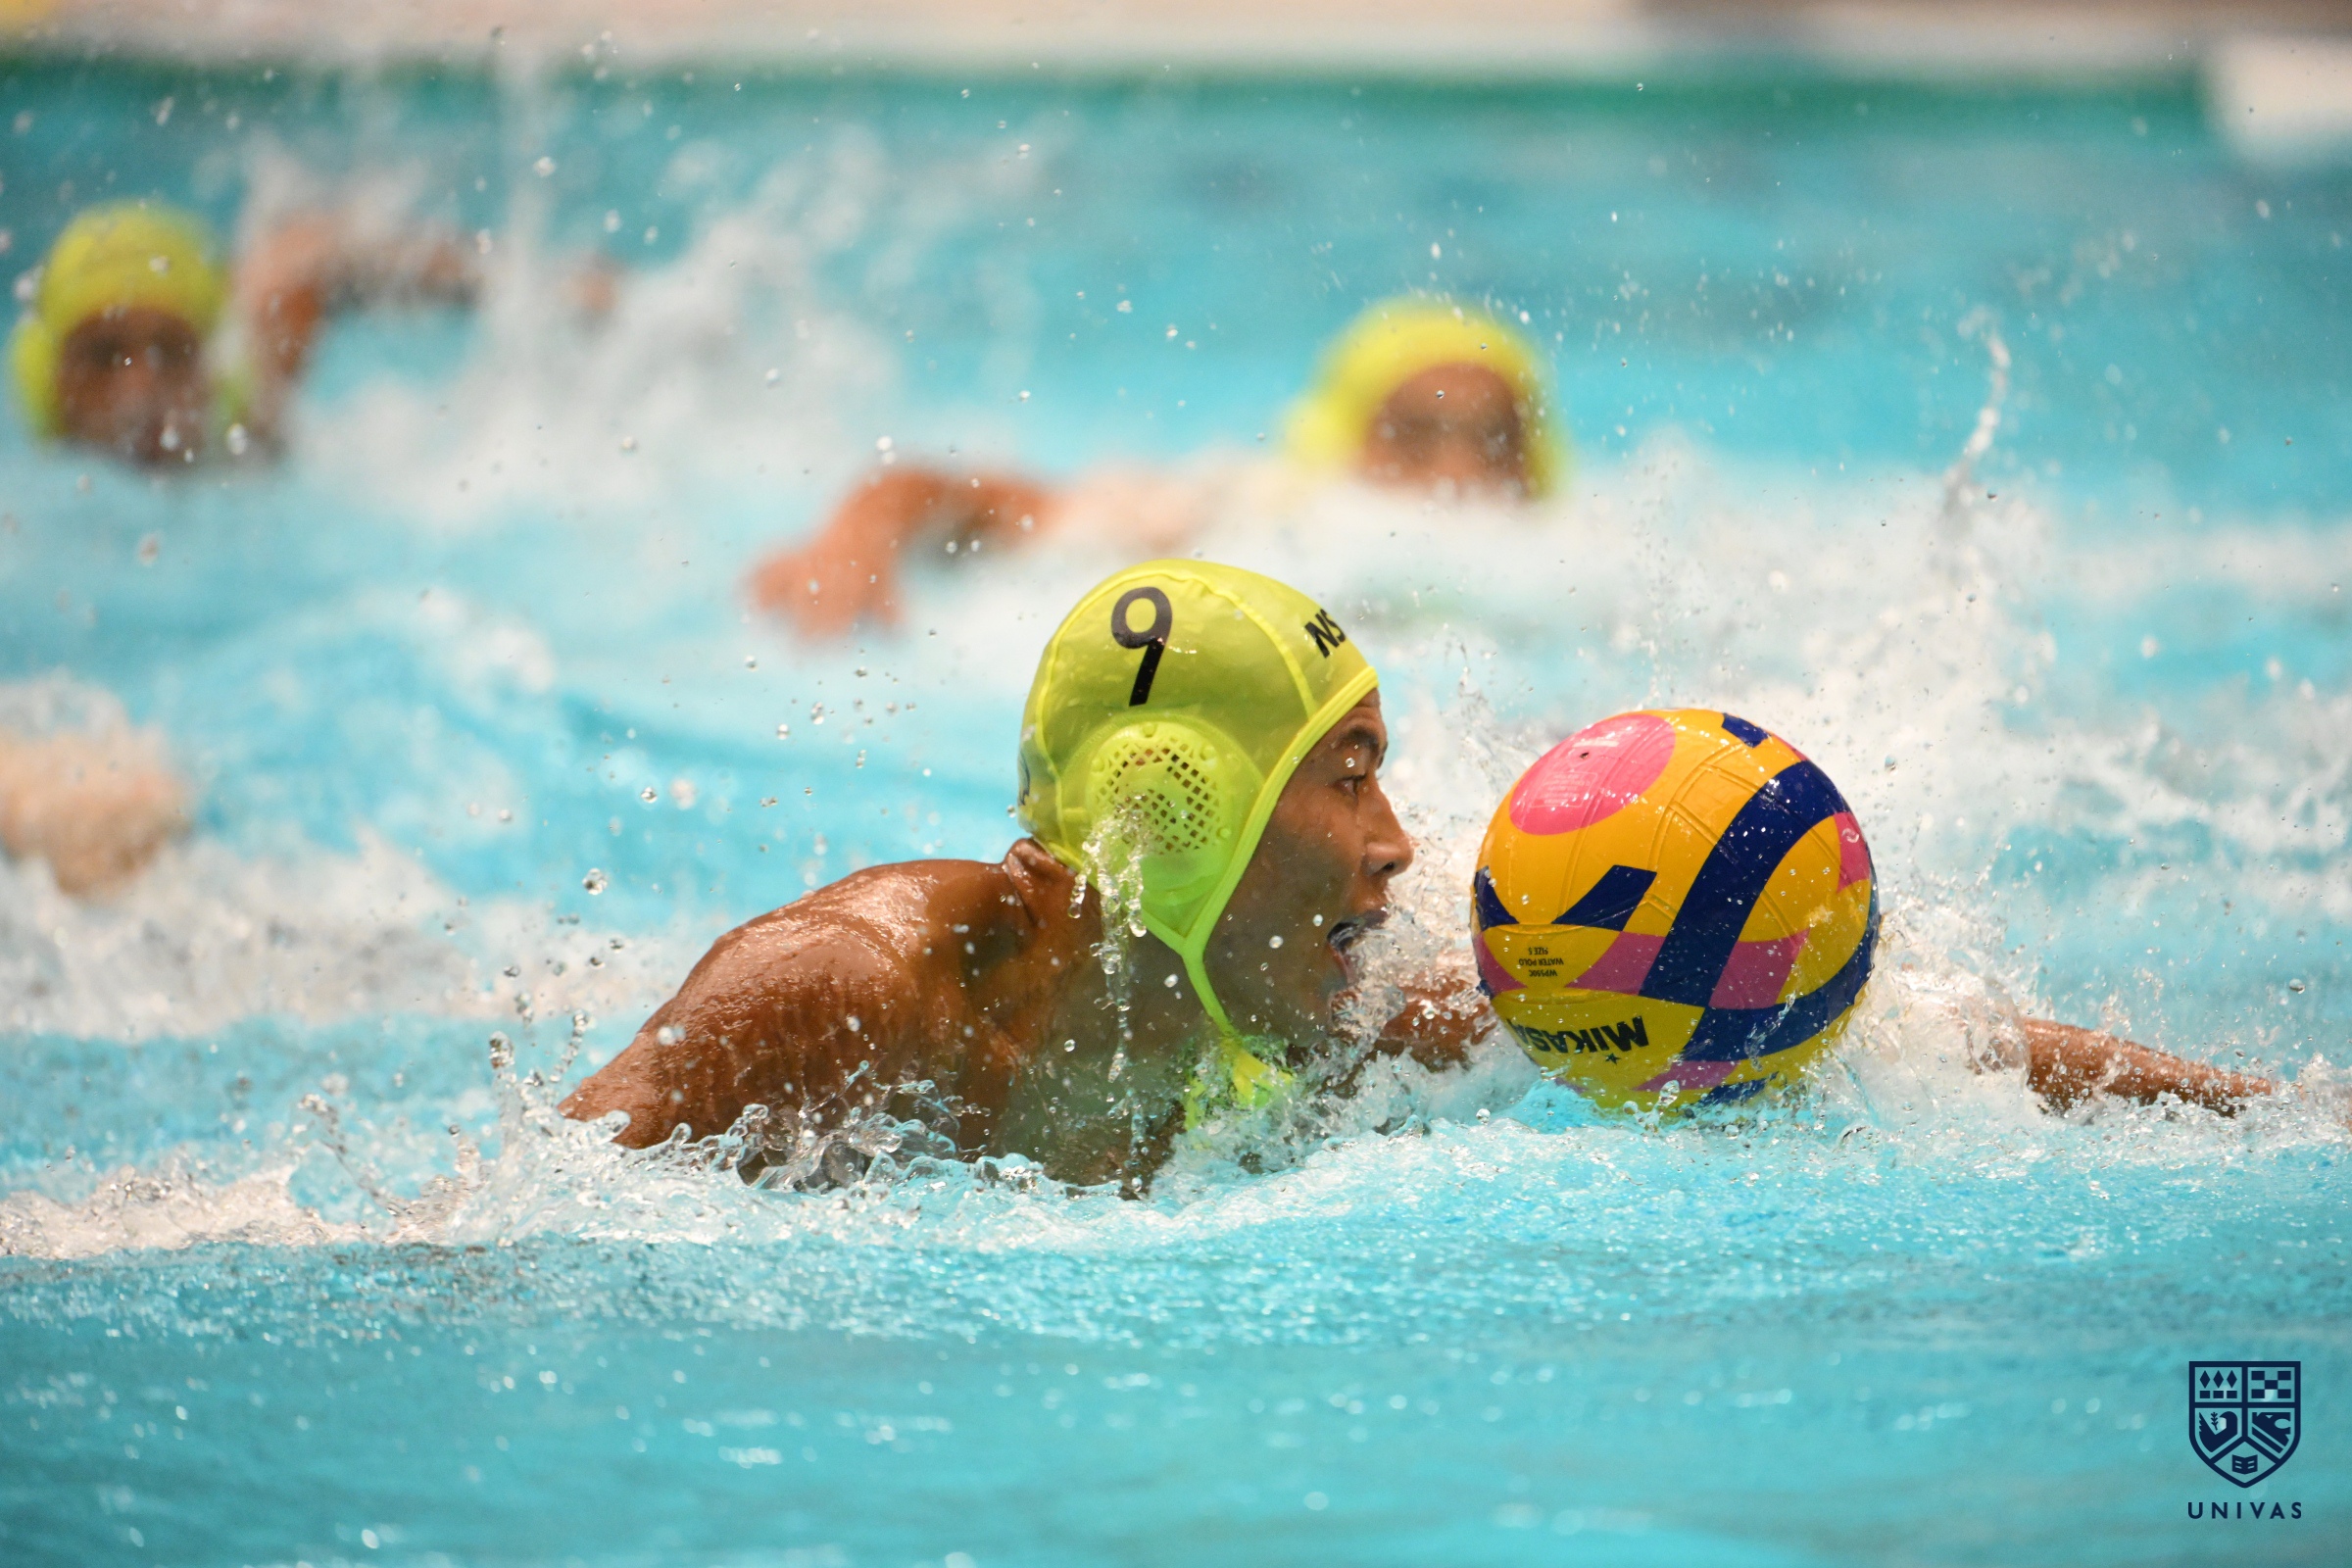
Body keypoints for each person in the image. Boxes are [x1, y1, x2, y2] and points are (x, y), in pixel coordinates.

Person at [564, 561, 2281, 1191]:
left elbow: (1905, 1051)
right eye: (1350, 775)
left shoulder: (1321, 1028)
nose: (1399, 844)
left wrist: (2279, 1118)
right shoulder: (857, 992)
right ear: (1177, 813)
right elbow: (511, 1222)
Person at [745, 298, 1567, 637]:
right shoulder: (1247, 510)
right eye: (1416, 435)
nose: (1459, 468)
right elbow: (969, 497)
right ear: (1347, 439)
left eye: (1496, 438)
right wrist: (857, 538)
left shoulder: (1574, 557)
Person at [9, 200, 474, 466]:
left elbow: (304, 261)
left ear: (209, 369)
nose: (140, 388)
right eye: (104, 355)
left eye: (170, 351)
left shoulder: (252, 425)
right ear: (49, 376)